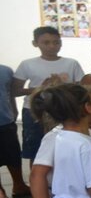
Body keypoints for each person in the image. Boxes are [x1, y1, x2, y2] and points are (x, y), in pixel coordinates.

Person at [12, 26, 84, 165]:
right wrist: (41, 88)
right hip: (34, 111)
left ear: (61, 43)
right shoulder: (27, 64)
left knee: (64, 146)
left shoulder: (71, 63)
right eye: (46, 42)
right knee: (36, 149)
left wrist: (62, 86)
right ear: (35, 43)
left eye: (56, 42)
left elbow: (81, 89)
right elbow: (16, 90)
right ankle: (37, 181)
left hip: (64, 110)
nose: (52, 46)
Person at [0, 64, 30, 198]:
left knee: (13, 154)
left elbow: (9, 93)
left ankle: (19, 185)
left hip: (5, 120)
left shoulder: (5, 70)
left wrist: (13, 109)